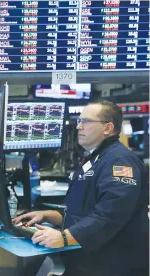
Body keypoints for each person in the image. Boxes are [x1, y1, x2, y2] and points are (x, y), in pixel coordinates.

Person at [13, 101, 149, 276]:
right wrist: (48, 215)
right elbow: (85, 211)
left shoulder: (119, 161)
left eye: (86, 121)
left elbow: (110, 215)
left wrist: (63, 237)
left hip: (112, 265)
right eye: (79, 121)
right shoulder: (96, 158)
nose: (78, 127)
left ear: (107, 128)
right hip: (91, 260)